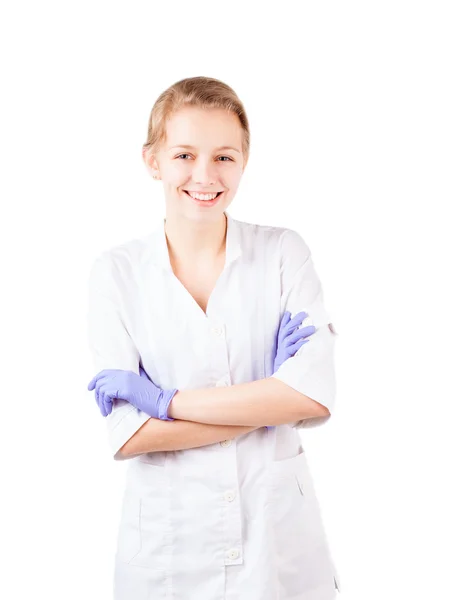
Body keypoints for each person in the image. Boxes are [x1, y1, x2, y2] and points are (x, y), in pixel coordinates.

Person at [86, 76, 341, 599]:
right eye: (184, 154)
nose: (204, 175)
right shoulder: (116, 273)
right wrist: (268, 399)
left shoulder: (283, 255)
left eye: (224, 157)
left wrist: (166, 402)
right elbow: (131, 437)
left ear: (245, 161)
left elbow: (312, 398)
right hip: (169, 548)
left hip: (276, 541)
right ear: (152, 160)